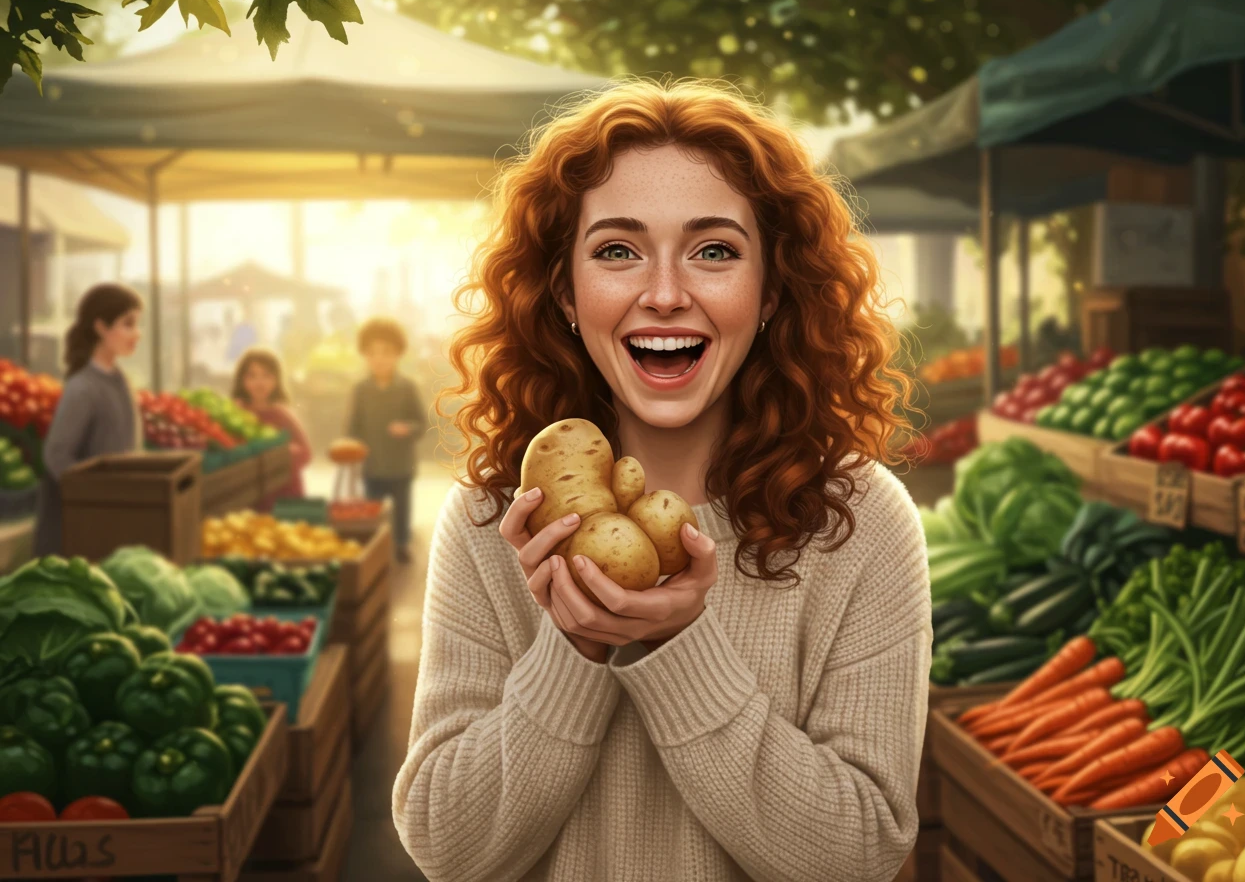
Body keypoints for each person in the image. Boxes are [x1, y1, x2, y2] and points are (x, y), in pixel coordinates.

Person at [391, 79, 931, 882]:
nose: (667, 294)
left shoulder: (859, 524)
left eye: (715, 250)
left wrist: (676, 643)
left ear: (772, 288)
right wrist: (573, 644)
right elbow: (449, 847)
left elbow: (859, 854)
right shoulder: (491, 521)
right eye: (617, 250)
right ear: (566, 290)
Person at [34, 283, 144, 556]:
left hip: (111, 517)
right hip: (80, 528)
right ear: (101, 327)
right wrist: (95, 495)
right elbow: (56, 456)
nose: (137, 334)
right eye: (127, 324)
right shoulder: (83, 387)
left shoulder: (119, 381)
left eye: (137, 324)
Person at [346, 318, 426, 563]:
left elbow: (422, 424)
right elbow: (353, 428)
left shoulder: (407, 387)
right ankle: (378, 548)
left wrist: (408, 428)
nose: (379, 359)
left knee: (401, 509)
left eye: (387, 353)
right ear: (364, 355)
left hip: (401, 465)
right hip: (371, 465)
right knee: (374, 508)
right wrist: (353, 452)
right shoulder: (361, 389)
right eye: (372, 353)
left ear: (398, 354)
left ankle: (401, 543)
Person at [231, 347, 312, 508]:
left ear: (276, 380)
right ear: (241, 380)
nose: (259, 382)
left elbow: (306, 454)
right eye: (252, 376)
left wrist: (282, 454)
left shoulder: (282, 415)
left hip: (283, 495)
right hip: (246, 495)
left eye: (266, 375)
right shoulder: (235, 416)